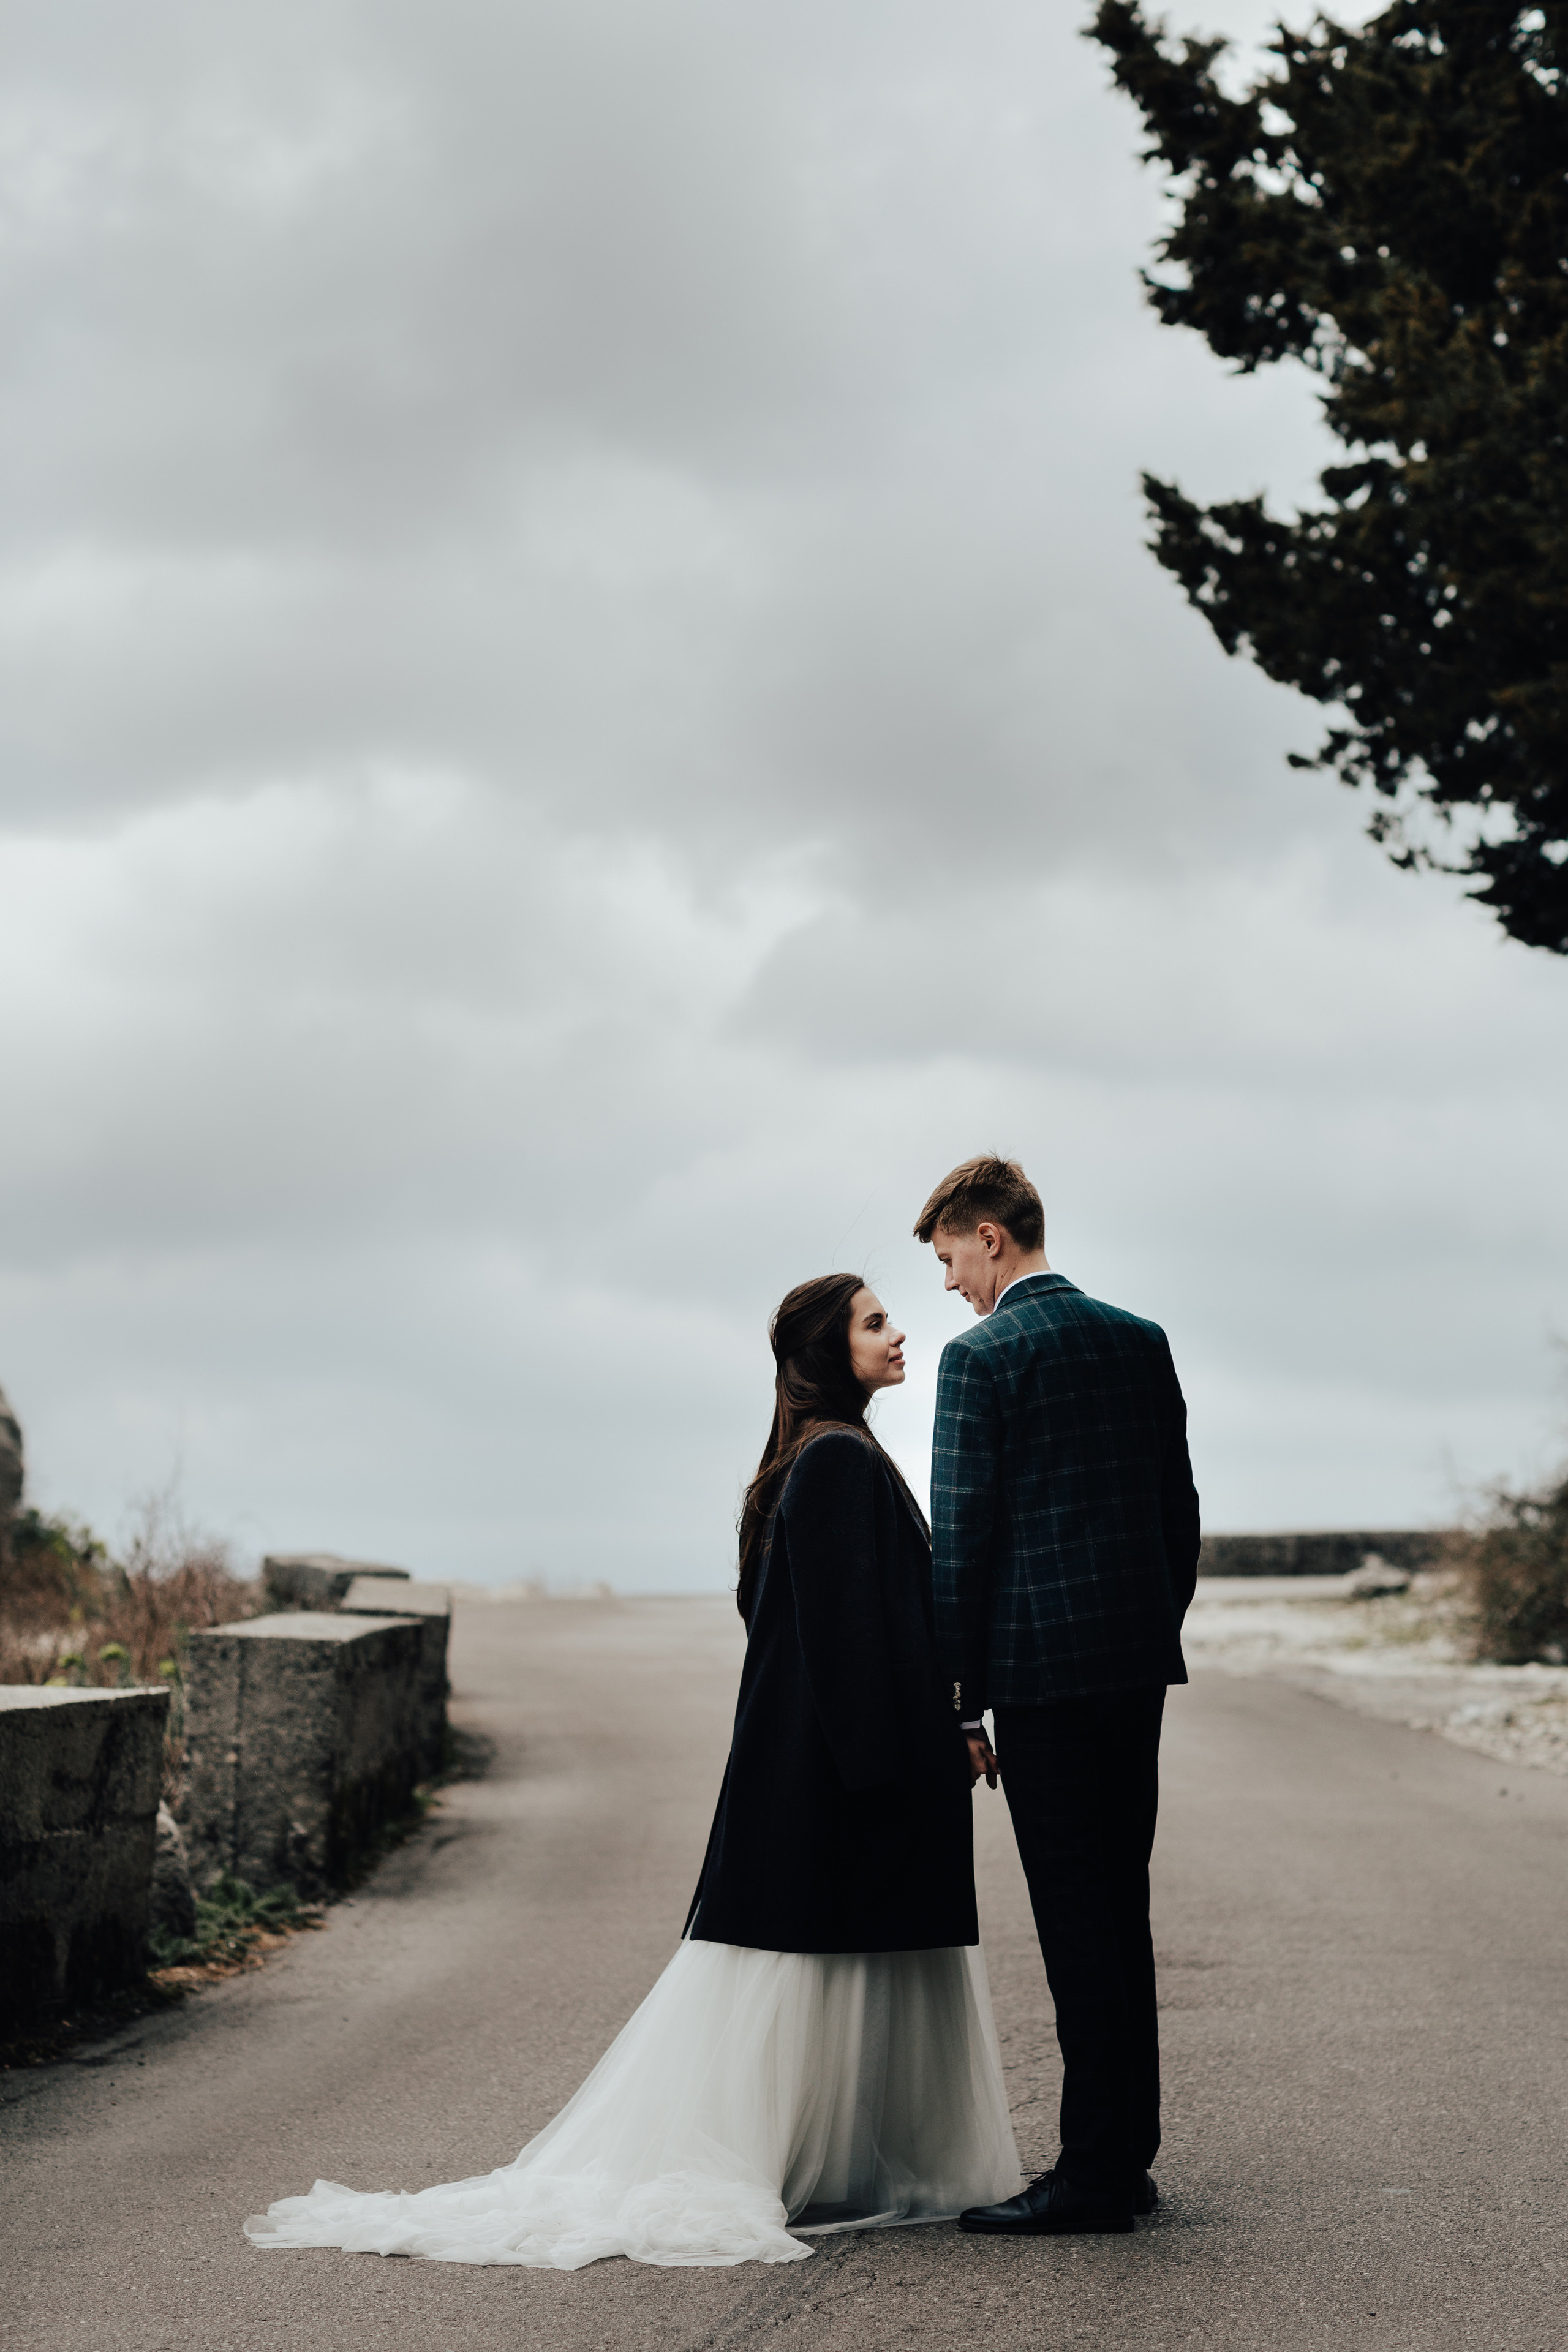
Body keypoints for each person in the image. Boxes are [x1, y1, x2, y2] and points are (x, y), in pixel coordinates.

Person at [246, 1273, 1020, 2271]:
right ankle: (829, 2161)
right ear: (828, 1351)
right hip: (834, 1777)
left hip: (826, 1770)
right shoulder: (834, 1462)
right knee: (806, 1974)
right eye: (874, 1322)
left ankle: (847, 2161)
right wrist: (909, 1758)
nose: (898, 1331)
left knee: (820, 1979)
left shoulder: (830, 1454)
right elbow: (843, 1647)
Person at [913, 1155, 1200, 2237]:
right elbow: (1181, 1516)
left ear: (992, 1235)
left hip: (1039, 1681)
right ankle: (1126, 2159)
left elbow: (963, 1545)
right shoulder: (1141, 1339)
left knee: (1076, 1922)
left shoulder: (983, 1357)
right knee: (1118, 1913)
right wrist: (1147, 1630)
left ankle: (1093, 2180)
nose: (948, 1286)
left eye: (948, 1258)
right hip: (1134, 1672)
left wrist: (960, 1701)